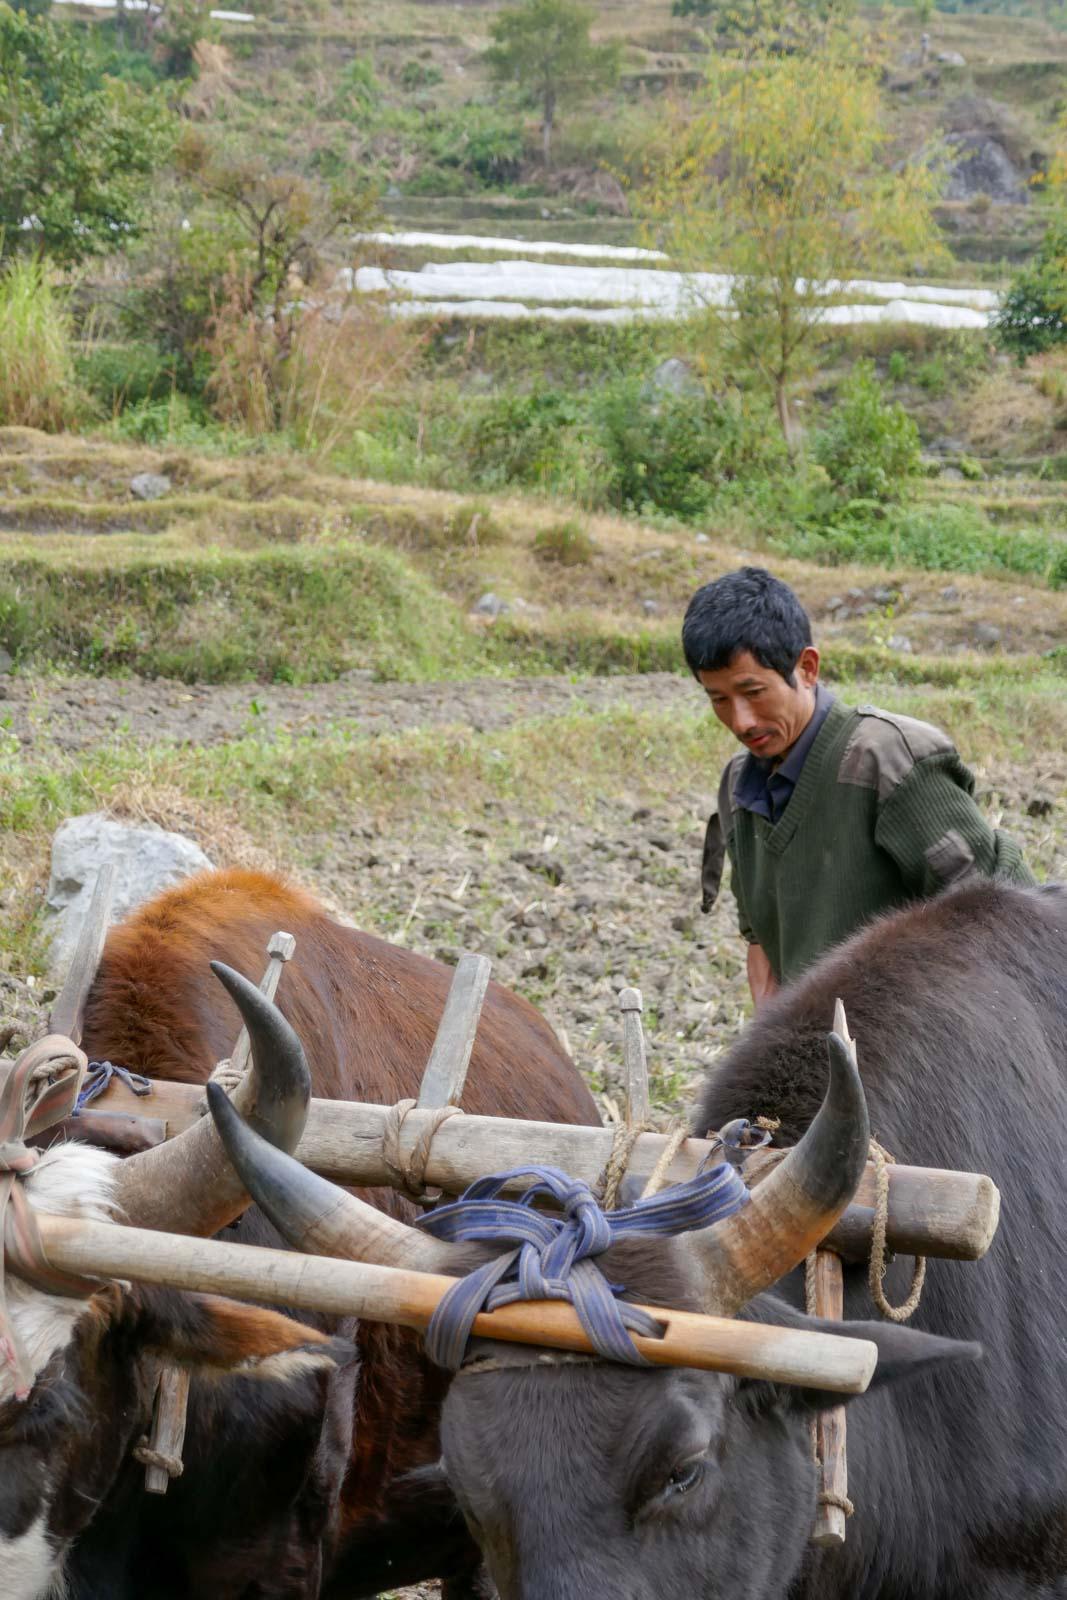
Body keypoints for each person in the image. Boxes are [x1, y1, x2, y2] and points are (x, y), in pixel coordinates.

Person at [683, 566, 1033, 1007]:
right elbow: (759, 931)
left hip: (919, 1048)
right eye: (718, 699)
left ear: (807, 668)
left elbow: (1009, 912)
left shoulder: (887, 761)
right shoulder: (738, 786)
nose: (740, 720)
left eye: (754, 691)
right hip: (815, 1048)